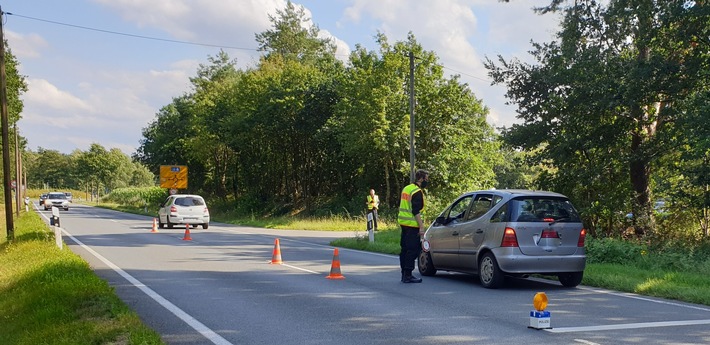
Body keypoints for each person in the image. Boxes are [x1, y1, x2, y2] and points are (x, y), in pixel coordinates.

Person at [397, 169, 429, 283]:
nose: (427, 181)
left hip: (404, 224)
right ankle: (408, 275)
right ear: (421, 179)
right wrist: (421, 227)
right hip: (412, 225)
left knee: (404, 250)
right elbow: (416, 211)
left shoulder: (407, 188)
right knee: (412, 250)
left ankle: (403, 274)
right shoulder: (417, 192)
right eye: (426, 179)